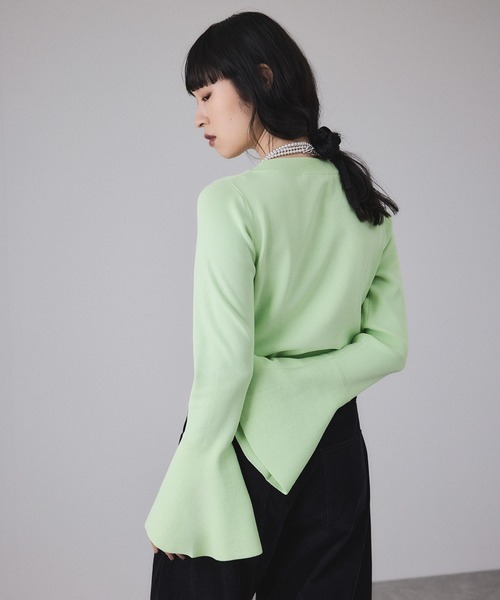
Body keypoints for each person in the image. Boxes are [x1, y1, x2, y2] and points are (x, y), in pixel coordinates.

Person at [145, 11, 407, 600]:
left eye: (207, 94)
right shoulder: (365, 205)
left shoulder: (229, 202)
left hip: (237, 447)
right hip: (336, 450)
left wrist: (182, 489)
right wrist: (306, 388)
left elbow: (225, 369)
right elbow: (390, 345)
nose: (198, 116)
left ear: (261, 78)